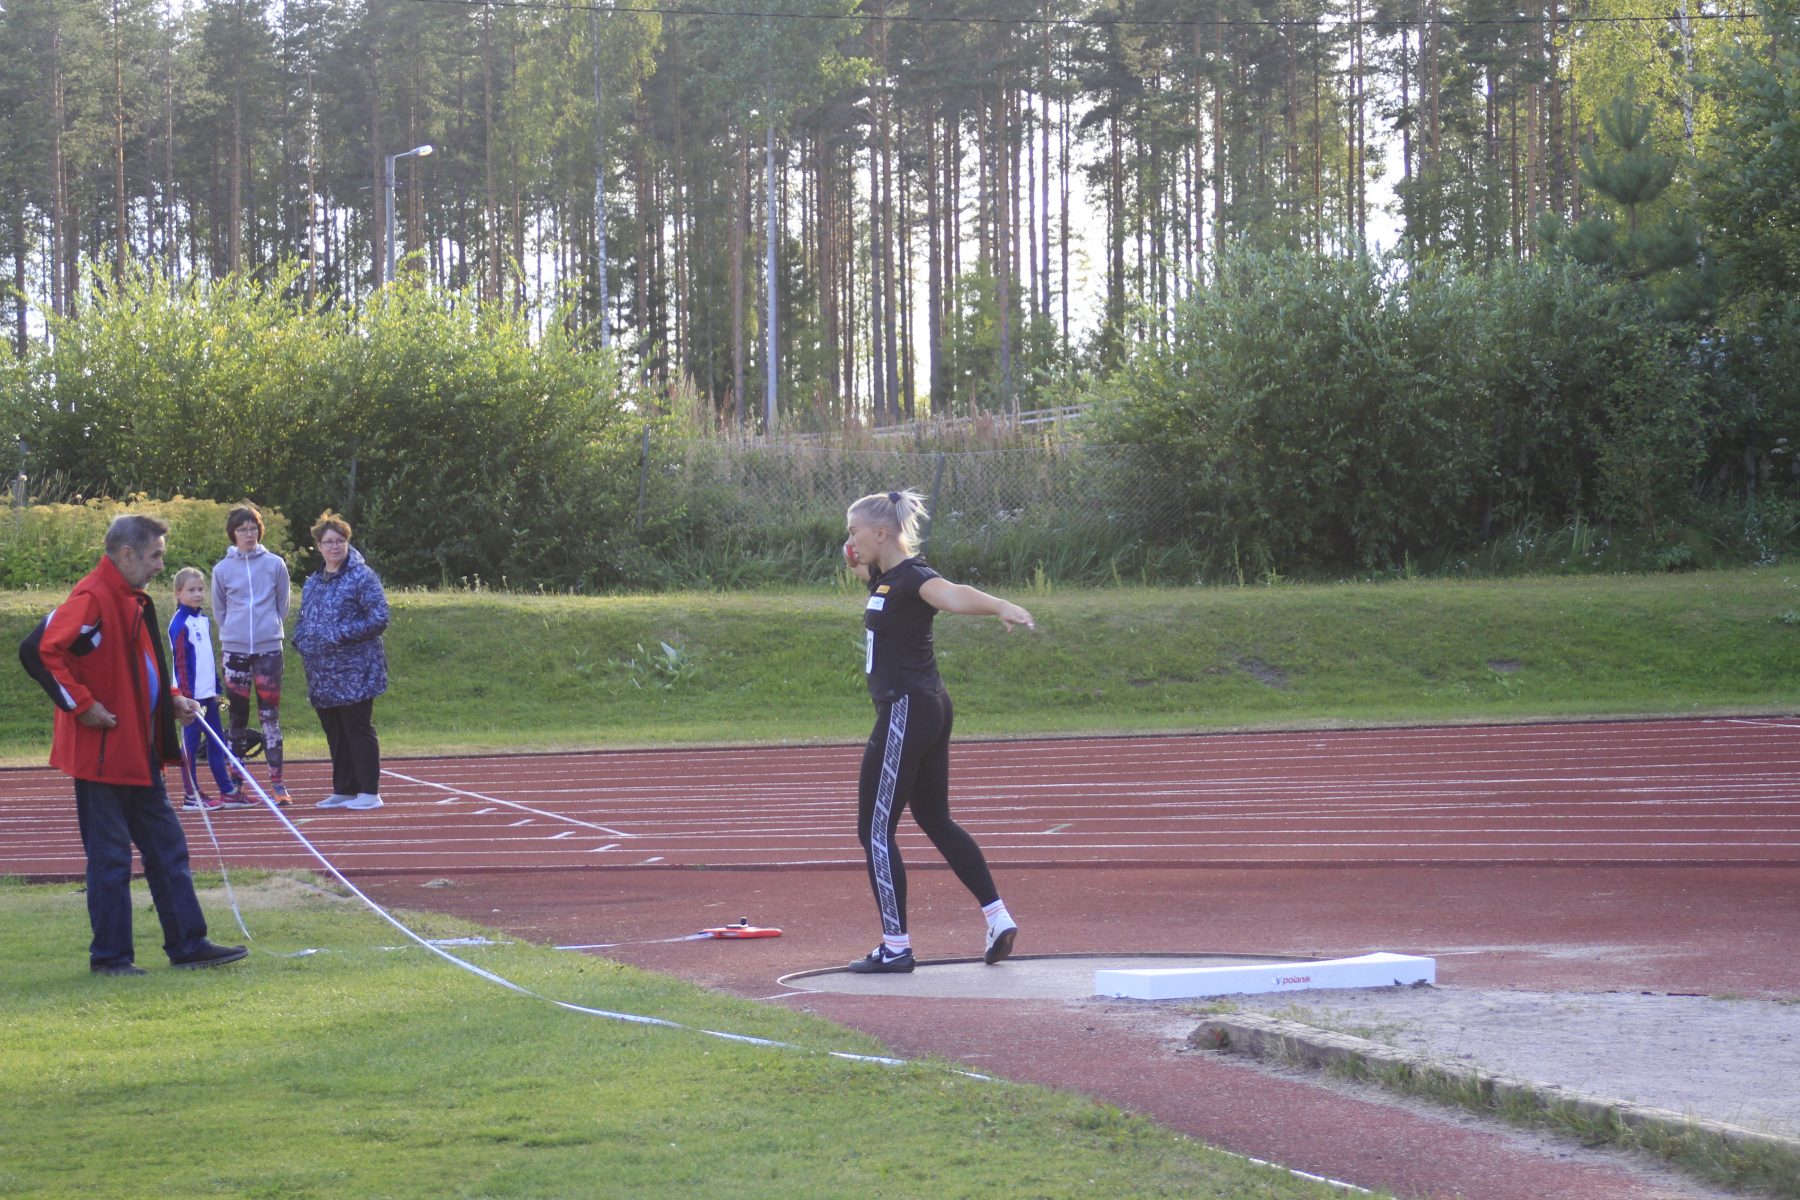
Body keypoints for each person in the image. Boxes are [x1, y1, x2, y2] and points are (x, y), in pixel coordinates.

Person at [34, 514, 249, 975]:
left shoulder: (130, 598)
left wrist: (169, 698)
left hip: (138, 750)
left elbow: (140, 663)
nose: (159, 565)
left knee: (168, 847)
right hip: (103, 755)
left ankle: (188, 944)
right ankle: (111, 958)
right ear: (127, 554)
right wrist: (81, 704)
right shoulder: (92, 596)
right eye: (155, 556)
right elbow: (41, 651)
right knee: (110, 857)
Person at [842, 488, 1034, 974]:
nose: (850, 539)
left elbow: (951, 594)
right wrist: (854, 558)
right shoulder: (886, 580)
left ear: (881, 532)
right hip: (926, 705)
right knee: (934, 818)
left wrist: (999, 606)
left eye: (854, 531)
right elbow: (868, 576)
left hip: (906, 709)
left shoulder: (914, 578)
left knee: (874, 831)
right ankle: (998, 917)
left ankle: (895, 947)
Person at [292, 511, 390, 812]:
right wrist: (300, 639)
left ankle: (369, 791)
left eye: (339, 541)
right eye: (328, 542)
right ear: (319, 546)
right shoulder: (313, 582)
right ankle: (345, 789)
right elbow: (304, 618)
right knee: (334, 731)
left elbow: (379, 617)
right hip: (321, 672)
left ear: (347, 542)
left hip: (355, 670)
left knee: (356, 728)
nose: (334, 546)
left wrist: (339, 634)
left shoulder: (362, 576)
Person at [211, 504, 292, 806]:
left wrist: (268, 628)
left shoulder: (275, 564)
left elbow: (282, 605)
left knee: (270, 716)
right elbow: (220, 609)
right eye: (242, 529)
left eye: (253, 528)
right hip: (234, 651)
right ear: (233, 533)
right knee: (237, 717)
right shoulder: (221, 569)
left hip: (269, 649)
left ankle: (278, 782)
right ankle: (236, 781)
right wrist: (234, 632)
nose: (249, 534)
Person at [167, 567, 238, 810]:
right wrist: (186, 697)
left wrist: (216, 688)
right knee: (190, 743)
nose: (197, 594)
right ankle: (191, 794)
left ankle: (227, 790)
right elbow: (181, 663)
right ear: (178, 593)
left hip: (208, 696)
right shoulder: (180, 624)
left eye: (200, 589)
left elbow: (208, 657)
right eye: (191, 590)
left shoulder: (204, 620)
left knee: (217, 741)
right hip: (191, 699)